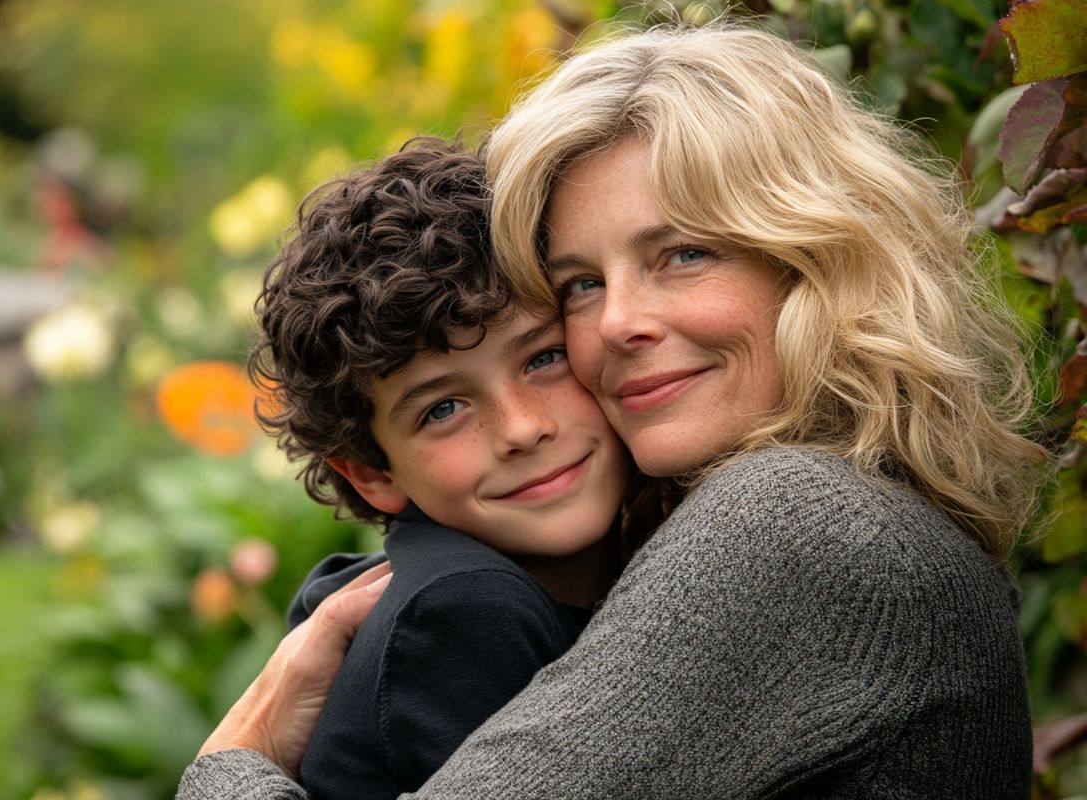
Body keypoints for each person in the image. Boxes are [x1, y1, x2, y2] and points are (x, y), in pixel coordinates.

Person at [178, 22, 1049, 799]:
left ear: (815, 257)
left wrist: (233, 757)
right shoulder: (841, 514)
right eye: (581, 285)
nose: (620, 323)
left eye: (683, 255)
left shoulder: (797, 524)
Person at [243, 139, 638, 800]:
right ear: (373, 473)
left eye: (543, 358)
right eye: (444, 408)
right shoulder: (465, 610)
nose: (521, 428)